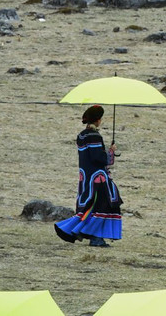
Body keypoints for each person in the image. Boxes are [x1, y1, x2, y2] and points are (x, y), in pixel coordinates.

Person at [54, 105, 121, 246]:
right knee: (103, 206)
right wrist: (110, 152)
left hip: (86, 178)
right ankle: (94, 237)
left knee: (90, 206)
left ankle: (87, 233)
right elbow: (97, 158)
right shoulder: (94, 136)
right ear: (97, 120)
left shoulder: (82, 135)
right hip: (97, 179)